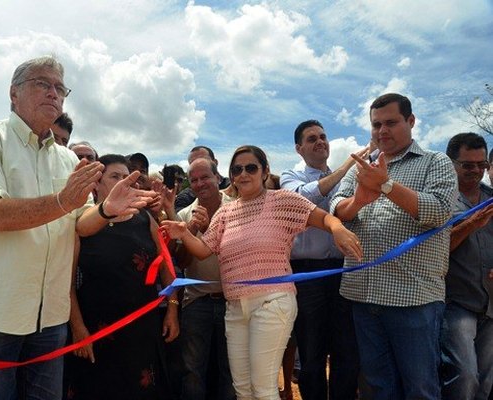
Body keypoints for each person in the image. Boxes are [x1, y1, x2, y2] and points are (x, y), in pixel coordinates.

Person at [0, 56, 155, 400]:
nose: (53, 93)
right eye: (42, 83)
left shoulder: (67, 159)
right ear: (13, 93)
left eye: (60, 88)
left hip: (51, 316)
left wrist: (106, 210)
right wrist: (63, 201)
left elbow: (82, 225)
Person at [162, 145, 362, 400]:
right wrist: (183, 233)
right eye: (237, 169)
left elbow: (323, 218)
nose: (243, 174)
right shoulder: (226, 212)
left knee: (264, 387)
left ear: (265, 171)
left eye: (250, 167)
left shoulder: (282, 201)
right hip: (235, 307)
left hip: (272, 302)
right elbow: (202, 250)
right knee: (243, 389)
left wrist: (337, 229)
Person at [331, 93, 457, 399]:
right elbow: (337, 208)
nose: (381, 131)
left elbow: (439, 210)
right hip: (362, 295)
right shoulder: (361, 166)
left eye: (391, 122)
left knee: (420, 386)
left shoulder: (435, 162)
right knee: (377, 385)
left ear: (411, 122)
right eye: (376, 124)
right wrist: (360, 199)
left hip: (413, 298)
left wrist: (386, 186)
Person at [68, 154, 179, 400]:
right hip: (98, 330)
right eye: (114, 176)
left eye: (125, 177)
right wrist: (78, 328)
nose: (122, 182)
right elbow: (67, 284)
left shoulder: (144, 218)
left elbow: (165, 266)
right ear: (96, 184)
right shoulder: (81, 224)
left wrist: (172, 308)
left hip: (143, 328)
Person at [280, 120, 364, 400]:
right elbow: (301, 199)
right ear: (299, 148)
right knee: (312, 354)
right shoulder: (290, 176)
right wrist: (344, 170)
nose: (320, 142)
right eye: (312, 138)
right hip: (307, 276)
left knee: (346, 351)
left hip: (343, 271)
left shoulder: (348, 178)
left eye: (323, 136)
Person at [175, 158, 235, 400]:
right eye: (195, 179)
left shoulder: (237, 207)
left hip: (233, 301)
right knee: (192, 371)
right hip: (196, 302)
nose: (200, 183)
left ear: (217, 177)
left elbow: (238, 255)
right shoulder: (184, 214)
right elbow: (181, 263)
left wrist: (210, 228)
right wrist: (190, 231)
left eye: (205, 177)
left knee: (231, 371)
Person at [441, 132, 493, 400]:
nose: (476, 171)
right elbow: (434, 250)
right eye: (468, 165)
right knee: (464, 375)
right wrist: (470, 224)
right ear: (451, 164)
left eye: (481, 165)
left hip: (491, 303)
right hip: (457, 301)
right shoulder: (440, 200)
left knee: (486, 381)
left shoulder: (491, 197)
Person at [175, 146, 230, 212]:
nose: (198, 164)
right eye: (193, 163)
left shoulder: (235, 187)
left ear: (215, 163)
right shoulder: (185, 197)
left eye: (203, 160)